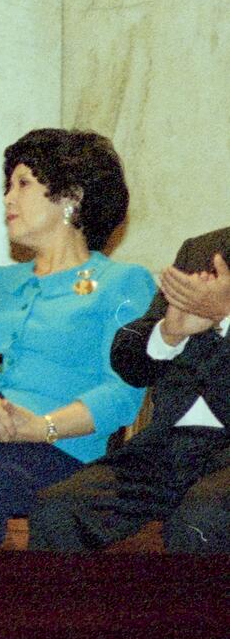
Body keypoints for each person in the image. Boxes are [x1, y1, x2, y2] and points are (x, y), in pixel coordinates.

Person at [0, 130, 153, 549]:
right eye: (8, 187)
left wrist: (39, 427)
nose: (8, 199)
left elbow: (123, 394)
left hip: (60, 455)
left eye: (23, 184)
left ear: (71, 197)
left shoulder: (122, 282)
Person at [30, 225, 230, 553]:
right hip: (168, 447)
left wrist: (225, 316)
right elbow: (129, 362)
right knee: (59, 508)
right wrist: (168, 334)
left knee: (202, 519)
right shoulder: (202, 249)